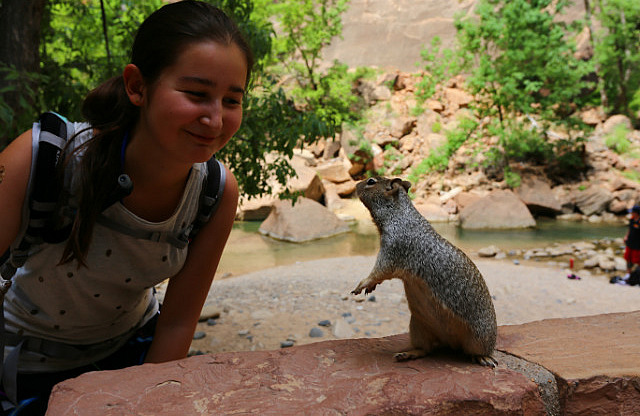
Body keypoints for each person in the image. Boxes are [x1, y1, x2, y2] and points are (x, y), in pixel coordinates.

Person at [0, 1, 253, 413]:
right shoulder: (41, 158)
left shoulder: (216, 190)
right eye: (196, 94)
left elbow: (176, 323)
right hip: (21, 364)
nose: (214, 118)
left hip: (132, 354)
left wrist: (145, 402)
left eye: (231, 100)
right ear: (137, 86)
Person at [624, 205, 640, 275]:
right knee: (627, 257)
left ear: (636, 213)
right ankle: (628, 272)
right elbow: (630, 229)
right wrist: (626, 236)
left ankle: (636, 274)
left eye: (632, 212)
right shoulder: (631, 219)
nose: (631, 213)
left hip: (637, 244)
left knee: (637, 260)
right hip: (630, 242)